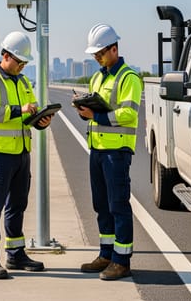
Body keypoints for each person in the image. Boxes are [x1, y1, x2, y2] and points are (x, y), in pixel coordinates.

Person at [0, 30, 55, 279]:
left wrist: (40, 120)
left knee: (18, 205)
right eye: (19, 62)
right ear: (6, 56)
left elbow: (29, 112)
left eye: (24, 63)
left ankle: (15, 253)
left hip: (21, 152)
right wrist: (19, 109)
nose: (22, 67)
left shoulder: (22, 82)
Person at [75, 23, 142, 281]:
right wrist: (85, 113)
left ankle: (122, 261)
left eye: (100, 53)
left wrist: (98, 115)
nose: (97, 58)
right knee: (101, 205)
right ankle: (106, 254)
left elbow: (128, 114)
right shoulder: (97, 77)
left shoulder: (129, 77)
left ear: (114, 49)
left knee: (118, 205)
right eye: (94, 55)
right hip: (98, 150)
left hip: (116, 152)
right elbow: (97, 113)